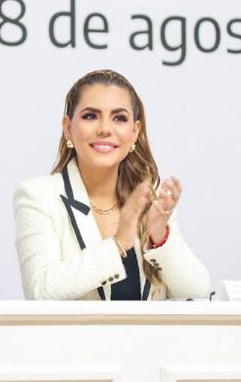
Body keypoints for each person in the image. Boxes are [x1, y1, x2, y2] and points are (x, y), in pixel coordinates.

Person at [13, 70, 210, 300]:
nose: (105, 128)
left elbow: (197, 292)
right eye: (90, 116)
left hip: (150, 338)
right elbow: (39, 292)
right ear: (68, 128)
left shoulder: (150, 198)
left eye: (119, 118)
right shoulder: (36, 196)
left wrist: (160, 236)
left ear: (135, 132)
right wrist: (117, 244)